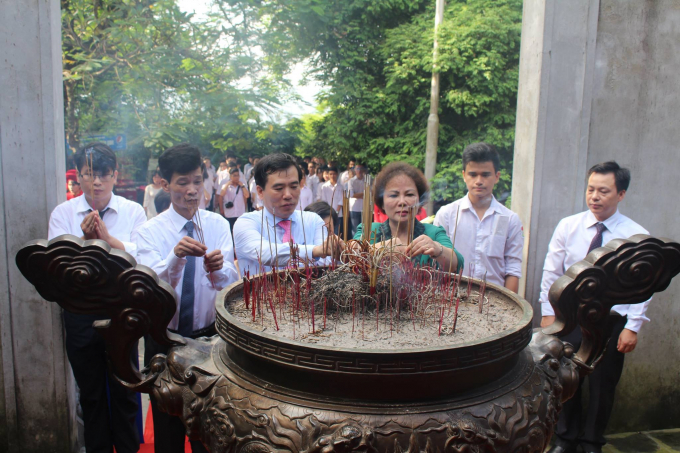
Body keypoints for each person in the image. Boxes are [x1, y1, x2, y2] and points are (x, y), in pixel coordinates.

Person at [134, 143, 239, 453]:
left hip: (209, 339)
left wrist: (219, 269)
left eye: (197, 180)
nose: (192, 190)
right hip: (164, 340)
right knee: (167, 432)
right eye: (183, 182)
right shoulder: (149, 232)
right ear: (165, 184)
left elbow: (229, 284)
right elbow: (151, 287)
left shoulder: (218, 224)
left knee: (207, 429)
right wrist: (175, 257)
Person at [541, 162, 648, 453]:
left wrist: (632, 326)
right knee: (566, 380)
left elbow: (644, 285)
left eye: (604, 190)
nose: (595, 197)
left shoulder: (635, 236)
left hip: (611, 322)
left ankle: (591, 443)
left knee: (603, 385)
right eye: (591, 189)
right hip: (572, 317)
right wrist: (548, 311)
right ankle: (564, 439)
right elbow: (552, 271)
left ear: (621, 194)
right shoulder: (569, 225)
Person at [48, 142, 146, 453]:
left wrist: (106, 239)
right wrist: (80, 240)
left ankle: (128, 448)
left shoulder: (133, 211)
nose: (98, 183)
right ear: (79, 177)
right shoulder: (63, 213)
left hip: (122, 312)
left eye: (104, 175)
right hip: (80, 312)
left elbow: (141, 260)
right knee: (89, 393)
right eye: (90, 174)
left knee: (126, 390)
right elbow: (55, 267)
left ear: (115, 176)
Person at [233, 153, 344, 276]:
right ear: (260, 191)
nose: (288, 195)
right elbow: (266, 253)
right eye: (279, 188)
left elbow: (325, 262)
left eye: (293, 186)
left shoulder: (313, 220)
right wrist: (314, 251)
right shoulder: (246, 223)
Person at [434, 143, 523, 292]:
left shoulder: (510, 219)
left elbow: (513, 269)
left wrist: (508, 311)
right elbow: (436, 262)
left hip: (494, 302)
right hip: (452, 300)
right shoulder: (447, 215)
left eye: (485, 174)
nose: (479, 181)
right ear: (464, 175)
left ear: (497, 176)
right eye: (473, 174)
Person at [353, 162, 463, 271]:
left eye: (409, 195)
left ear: (419, 200)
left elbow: (457, 264)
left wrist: (437, 249)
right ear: (382, 203)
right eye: (393, 195)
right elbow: (351, 256)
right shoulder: (369, 230)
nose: (402, 202)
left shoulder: (433, 233)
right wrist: (378, 250)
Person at [219, 167, 249, 232]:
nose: (236, 177)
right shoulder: (225, 184)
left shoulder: (242, 185)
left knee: (240, 232)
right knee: (230, 232)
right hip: (229, 213)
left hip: (240, 213)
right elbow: (221, 194)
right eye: (234, 175)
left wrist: (242, 186)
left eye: (238, 175)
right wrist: (227, 185)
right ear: (230, 176)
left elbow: (247, 195)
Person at [318, 166, 344, 234]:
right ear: (328, 175)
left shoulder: (340, 186)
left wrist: (336, 212)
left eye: (334, 174)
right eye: (331, 174)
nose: (332, 176)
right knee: (329, 232)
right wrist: (330, 212)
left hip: (338, 214)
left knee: (337, 233)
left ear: (337, 174)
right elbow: (324, 200)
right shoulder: (324, 186)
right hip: (328, 214)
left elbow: (341, 200)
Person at [347, 163, 367, 238]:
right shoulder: (351, 181)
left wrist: (358, 194)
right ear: (355, 170)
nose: (359, 171)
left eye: (361, 169)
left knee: (364, 228)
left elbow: (370, 193)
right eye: (358, 169)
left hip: (364, 207)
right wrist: (364, 194)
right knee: (355, 229)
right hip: (354, 208)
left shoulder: (367, 180)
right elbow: (352, 194)